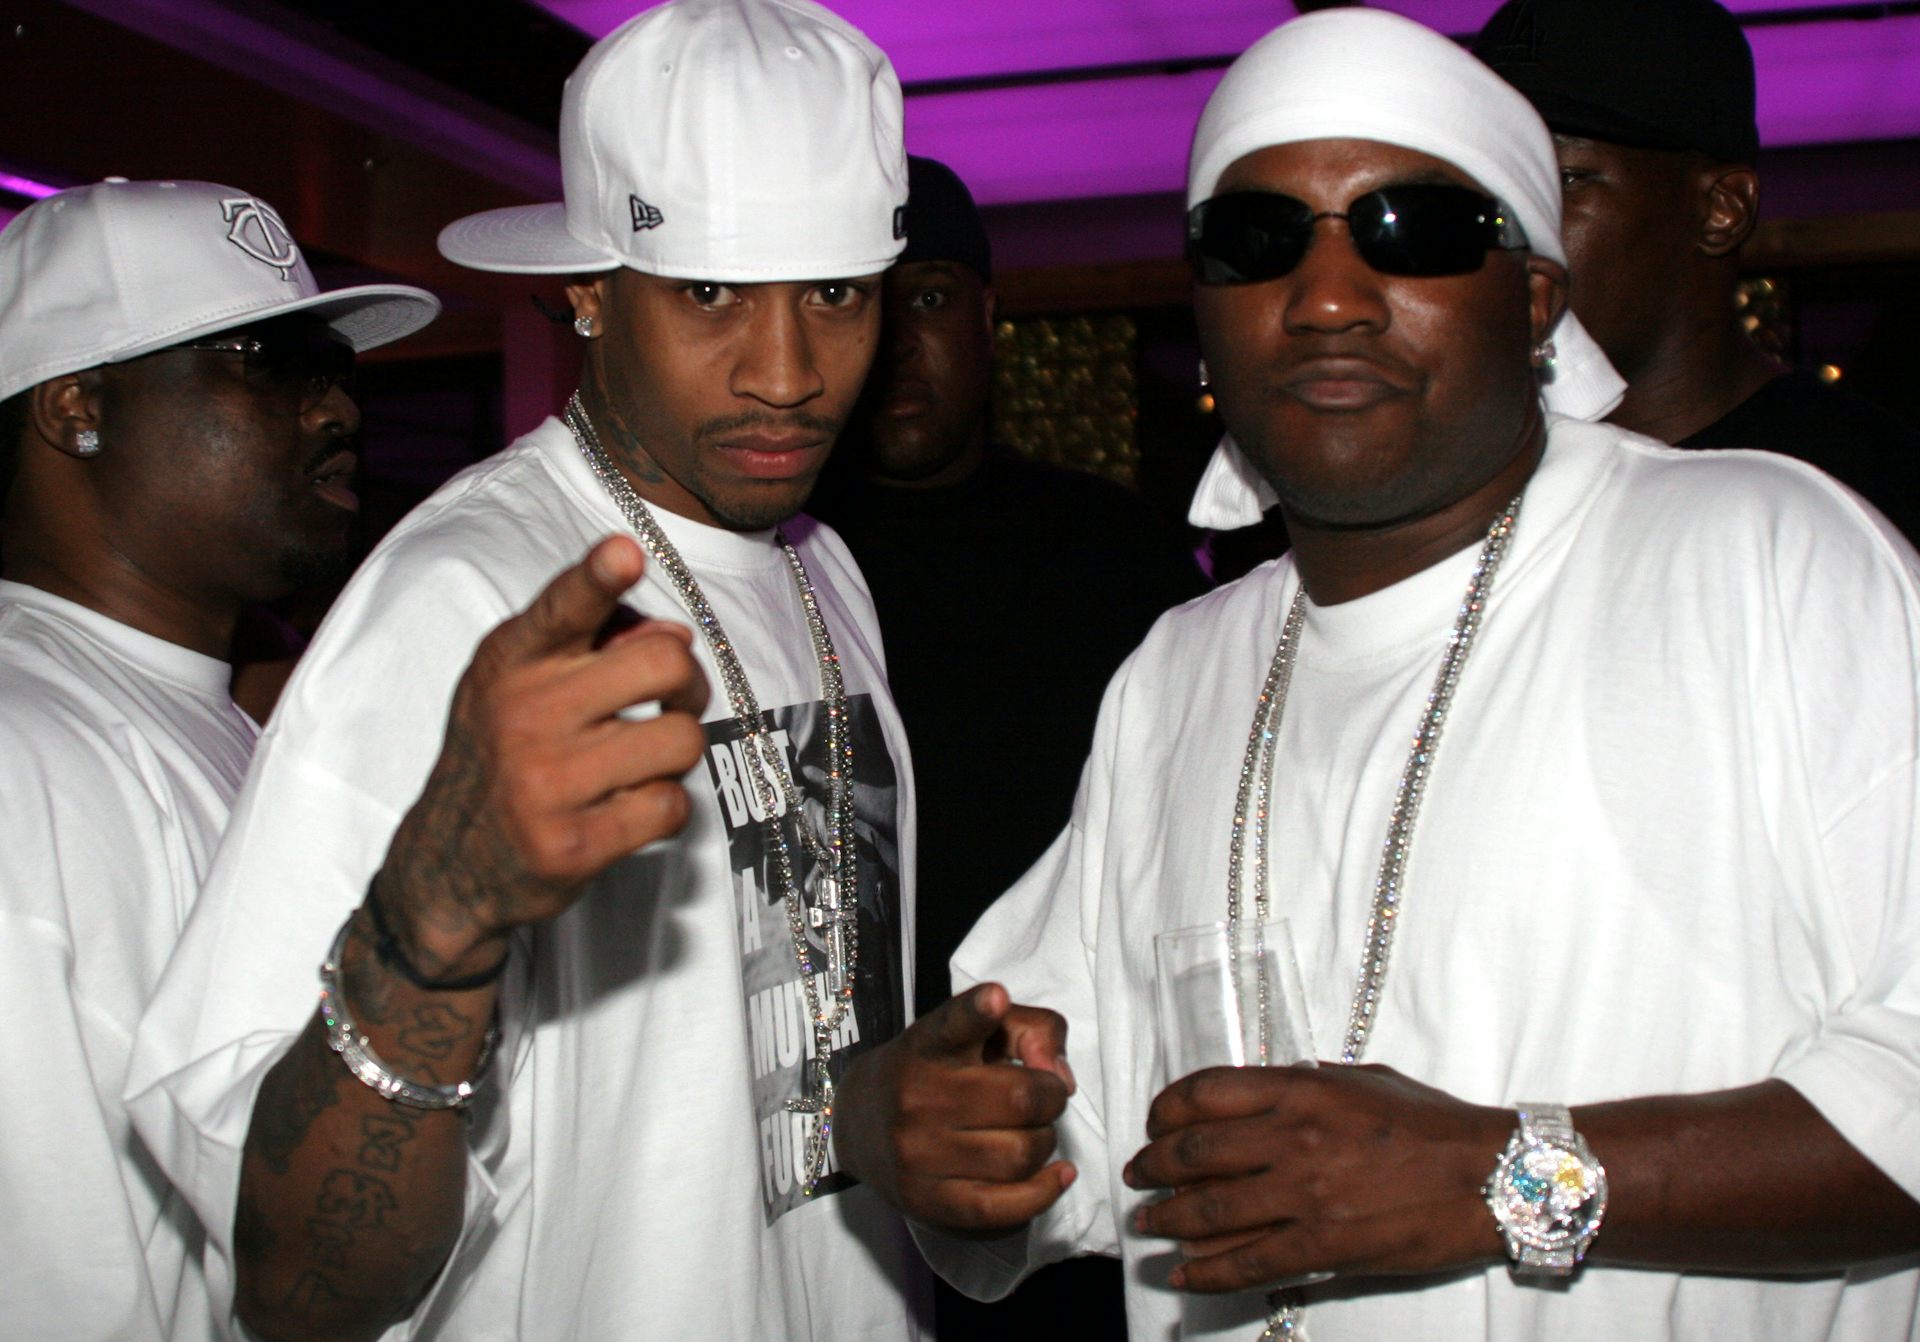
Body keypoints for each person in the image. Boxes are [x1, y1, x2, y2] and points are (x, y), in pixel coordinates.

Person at [834, 10, 1920, 1342]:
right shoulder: (1179, 672)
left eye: (1415, 230)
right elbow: (1084, 1130)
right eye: (1259, 240)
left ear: (1534, 297)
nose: (1329, 296)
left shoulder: (1763, 555)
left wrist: (1502, 1176)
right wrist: (939, 1129)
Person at [126, 3, 924, 1339]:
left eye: (835, 292)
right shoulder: (463, 596)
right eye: (711, 293)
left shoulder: (821, 566)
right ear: (592, 292)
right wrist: (432, 924)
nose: (787, 375)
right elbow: (293, 1277)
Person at [0, 178, 436, 1340]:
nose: (335, 406)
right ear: (77, 407)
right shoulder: (23, 755)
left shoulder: (215, 716)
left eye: (331, 368)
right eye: (264, 361)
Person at [809, 153, 1205, 1340]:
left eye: (927, 297)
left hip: (1071, 1131)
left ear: (989, 315)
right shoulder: (783, 572)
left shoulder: (1115, 552)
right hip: (836, 1151)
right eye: (859, 299)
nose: (896, 340)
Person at [1474, 0, 1920, 537]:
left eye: (1564, 180)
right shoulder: (1453, 490)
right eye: (1483, 189)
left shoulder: (1869, 500)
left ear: (1721, 210)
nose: (1503, 224)